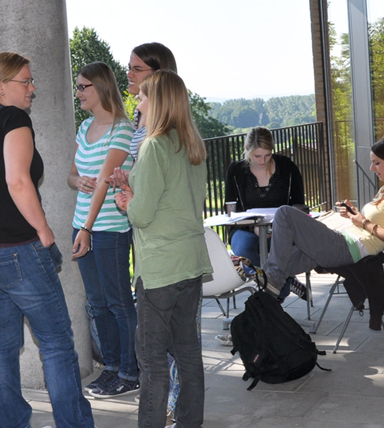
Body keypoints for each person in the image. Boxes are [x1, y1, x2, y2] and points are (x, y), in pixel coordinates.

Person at [0, 51, 94, 428]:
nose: (33, 88)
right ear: (1, 87)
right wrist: (45, 235)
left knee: (2, 342)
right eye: (25, 81)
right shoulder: (13, 118)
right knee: (57, 345)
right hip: (16, 250)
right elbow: (18, 182)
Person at [113, 70, 212, 428]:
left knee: (152, 359)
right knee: (187, 353)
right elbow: (176, 199)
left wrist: (126, 201)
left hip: (160, 269)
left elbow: (141, 215)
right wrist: (133, 184)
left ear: (158, 103)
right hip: (191, 263)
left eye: (141, 98)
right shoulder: (191, 143)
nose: (137, 104)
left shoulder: (153, 145)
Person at [252, 136, 384, 331]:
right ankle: (254, 325)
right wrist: (355, 216)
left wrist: (364, 222)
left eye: (376, 163)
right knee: (274, 266)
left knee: (284, 214)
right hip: (343, 241)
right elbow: (372, 224)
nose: (372, 168)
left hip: (347, 248)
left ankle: (273, 286)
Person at [66, 61, 138, 399]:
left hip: (106, 228)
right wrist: (76, 179)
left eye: (83, 87)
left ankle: (130, 370)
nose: (78, 92)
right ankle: (111, 368)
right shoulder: (85, 128)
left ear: (101, 88)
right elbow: (72, 175)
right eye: (78, 87)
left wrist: (87, 228)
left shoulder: (121, 129)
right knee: (96, 304)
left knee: (118, 302)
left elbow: (105, 184)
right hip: (83, 227)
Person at [223, 127, 304, 282]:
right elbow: (231, 209)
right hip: (245, 228)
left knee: (283, 250)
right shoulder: (236, 171)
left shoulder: (287, 167)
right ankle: (278, 284)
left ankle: (273, 290)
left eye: (267, 155)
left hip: (282, 229)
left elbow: (298, 204)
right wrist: (252, 226)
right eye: (257, 156)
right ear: (247, 150)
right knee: (243, 249)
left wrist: (278, 227)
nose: (262, 161)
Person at [125, 42, 178, 161]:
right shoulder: (139, 112)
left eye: (137, 69)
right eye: (129, 68)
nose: (129, 74)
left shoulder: (169, 118)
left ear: (158, 74)